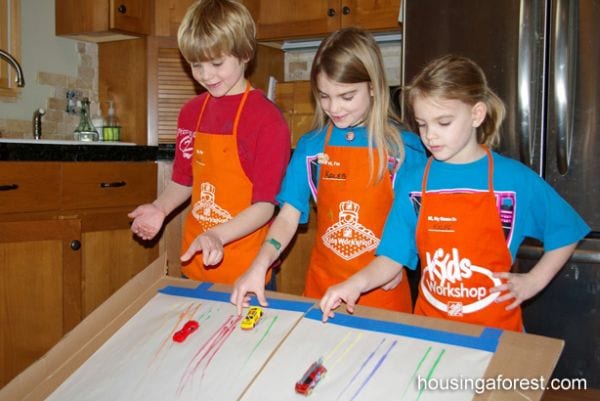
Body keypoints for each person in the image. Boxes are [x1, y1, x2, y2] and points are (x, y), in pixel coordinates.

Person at [320, 55, 590, 331]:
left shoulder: (513, 179)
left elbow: (566, 231)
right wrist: (354, 284)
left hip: (495, 332)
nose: (430, 136)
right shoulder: (415, 183)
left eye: (444, 123)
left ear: (476, 114)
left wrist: (533, 281)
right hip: (430, 330)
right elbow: (391, 258)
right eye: (422, 124)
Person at [230, 27, 427, 315]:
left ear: (373, 86)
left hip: (382, 298)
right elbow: (287, 217)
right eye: (324, 96)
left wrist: (405, 257)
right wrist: (259, 266)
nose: (334, 107)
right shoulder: (312, 148)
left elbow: (424, 220)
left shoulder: (403, 149)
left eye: (347, 97)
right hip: (320, 293)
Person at [128, 0, 290, 283]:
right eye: (196, 65)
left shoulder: (267, 119)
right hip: (197, 263)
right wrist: (160, 208)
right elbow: (183, 180)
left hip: (249, 269)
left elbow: (265, 206)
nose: (206, 75)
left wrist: (217, 235)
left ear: (245, 54)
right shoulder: (191, 113)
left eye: (217, 63)